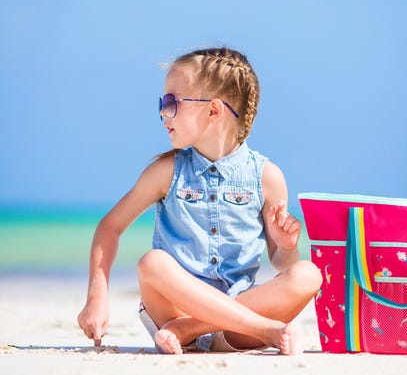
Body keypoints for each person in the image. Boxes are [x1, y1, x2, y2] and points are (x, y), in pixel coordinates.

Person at [76, 46, 321, 355]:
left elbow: (282, 264)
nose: (163, 113)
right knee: (153, 263)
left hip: (233, 328)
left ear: (214, 111)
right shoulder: (167, 172)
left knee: (309, 273)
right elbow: (110, 227)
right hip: (174, 310)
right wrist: (96, 297)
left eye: (171, 103)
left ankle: (191, 328)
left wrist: (286, 247)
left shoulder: (267, 177)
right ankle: (266, 330)